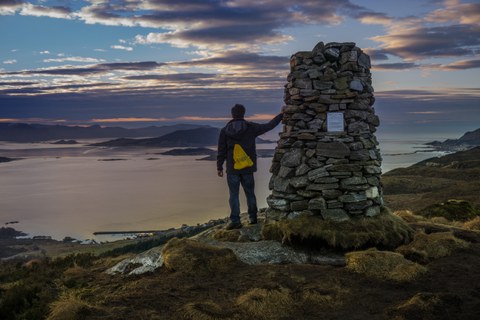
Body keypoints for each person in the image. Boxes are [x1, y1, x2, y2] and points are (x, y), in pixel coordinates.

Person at [217, 104, 283, 229]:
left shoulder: (225, 130)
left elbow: (221, 151)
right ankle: (253, 218)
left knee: (233, 195)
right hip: (248, 167)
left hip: (232, 168)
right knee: (250, 193)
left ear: (232, 114)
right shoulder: (250, 127)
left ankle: (235, 221)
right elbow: (269, 126)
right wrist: (281, 115)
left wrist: (219, 167)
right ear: (243, 113)